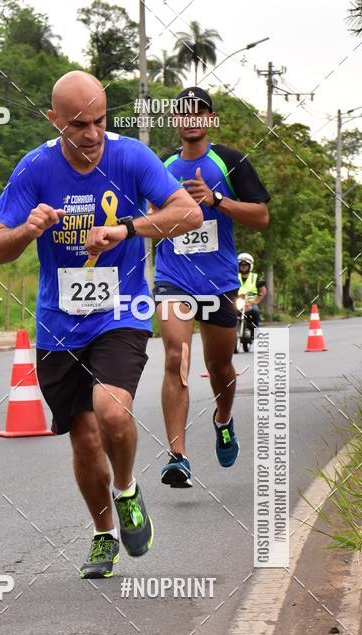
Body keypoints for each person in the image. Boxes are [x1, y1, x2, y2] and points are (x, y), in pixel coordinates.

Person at [0, 71, 201, 578]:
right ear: (54, 119)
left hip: (120, 310)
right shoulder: (34, 168)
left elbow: (188, 213)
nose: (91, 134)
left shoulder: (130, 157)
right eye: (79, 124)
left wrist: (126, 228)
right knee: (83, 440)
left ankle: (126, 490)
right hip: (59, 322)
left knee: (111, 409)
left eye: (99, 121)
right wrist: (27, 230)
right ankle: (104, 533)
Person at [153, 86, 270, 488]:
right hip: (173, 279)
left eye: (198, 113)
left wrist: (216, 200)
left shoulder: (231, 161)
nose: (191, 119)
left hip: (218, 281)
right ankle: (178, 455)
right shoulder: (162, 165)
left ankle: (223, 419)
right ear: (175, 121)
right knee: (175, 356)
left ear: (210, 119)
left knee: (218, 366)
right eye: (183, 113)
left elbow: (261, 216)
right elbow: (148, 218)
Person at [237, 252, 266, 329]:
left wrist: (256, 301)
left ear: (250, 266)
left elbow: (262, 290)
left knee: (255, 311)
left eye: (245, 265)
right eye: (241, 265)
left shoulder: (255, 277)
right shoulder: (234, 277)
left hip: (251, 303)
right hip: (237, 302)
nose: (243, 267)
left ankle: (255, 331)